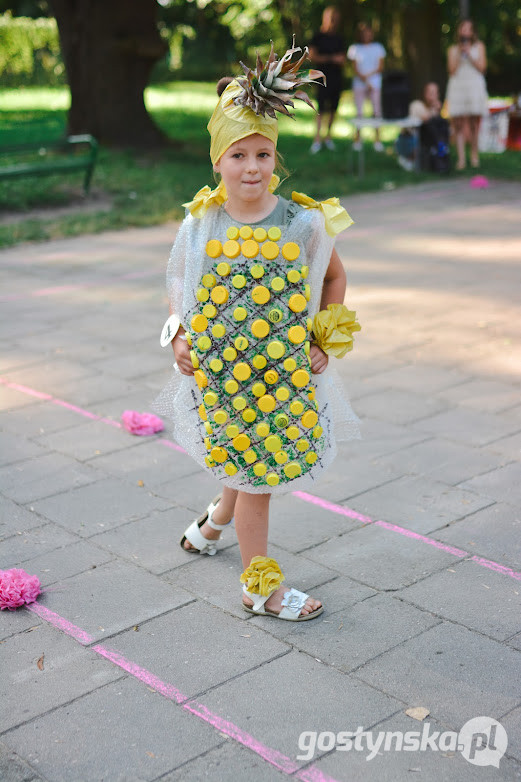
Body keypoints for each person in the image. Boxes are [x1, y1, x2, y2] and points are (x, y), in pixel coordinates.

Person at [154, 41, 360, 622]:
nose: (252, 168)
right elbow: (179, 282)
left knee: (252, 466)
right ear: (216, 161)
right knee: (255, 471)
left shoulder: (302, 221)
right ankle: (259, 589)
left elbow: (336, 278)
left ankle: (213, 525)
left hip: (282, 372)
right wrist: (177, 336)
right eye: (239, 154)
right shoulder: (203, 220)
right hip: (223, 372)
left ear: (276, 157)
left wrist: (324, 338)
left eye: (263, 154)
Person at [446, 19, 488, 170]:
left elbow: (482, 68)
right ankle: (461, 159)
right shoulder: (452, 49)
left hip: (474, 85)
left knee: (474, 122)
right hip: (458, 85)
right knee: (458, 122)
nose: (465, 31)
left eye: (468, 28)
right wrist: (460, 52)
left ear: (472, 32)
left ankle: (474, 155)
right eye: (462, 28)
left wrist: (469, 53)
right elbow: (451, 70)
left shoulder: (479, 46)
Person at [308, 7, 346, 154]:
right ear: (325, 18)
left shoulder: (339, 38)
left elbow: (343, 59)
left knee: (333, 109)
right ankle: (317, 139)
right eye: (331, 18)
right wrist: (331, 59)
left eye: (336, 19)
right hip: (320, 77)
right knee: (320, 108)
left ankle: (328, 137)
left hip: (336, 78)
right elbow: (311, 56)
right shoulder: (317, 37)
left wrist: (339, 60)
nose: (333, 22)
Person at [347, 22, 386, 151]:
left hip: (375, 84)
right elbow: (355, 68)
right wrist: (364, 78)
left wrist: (368, 78)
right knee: (359, 112)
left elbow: (380, 67)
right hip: (359, 84)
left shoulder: (378, 47)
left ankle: (378, 140)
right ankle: (357, 139)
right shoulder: (354, 48)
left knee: (376, 111)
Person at [396, 82, 449, 172]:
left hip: (425, 140)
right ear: (425, 94)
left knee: (441, 134)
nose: (433, 96)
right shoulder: (416, 105)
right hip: (408, 140)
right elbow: (425, 118)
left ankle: (441, 158)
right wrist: (434, 109)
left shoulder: (435, 109)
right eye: (430, 93)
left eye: (435, 93)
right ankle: (409, 158)